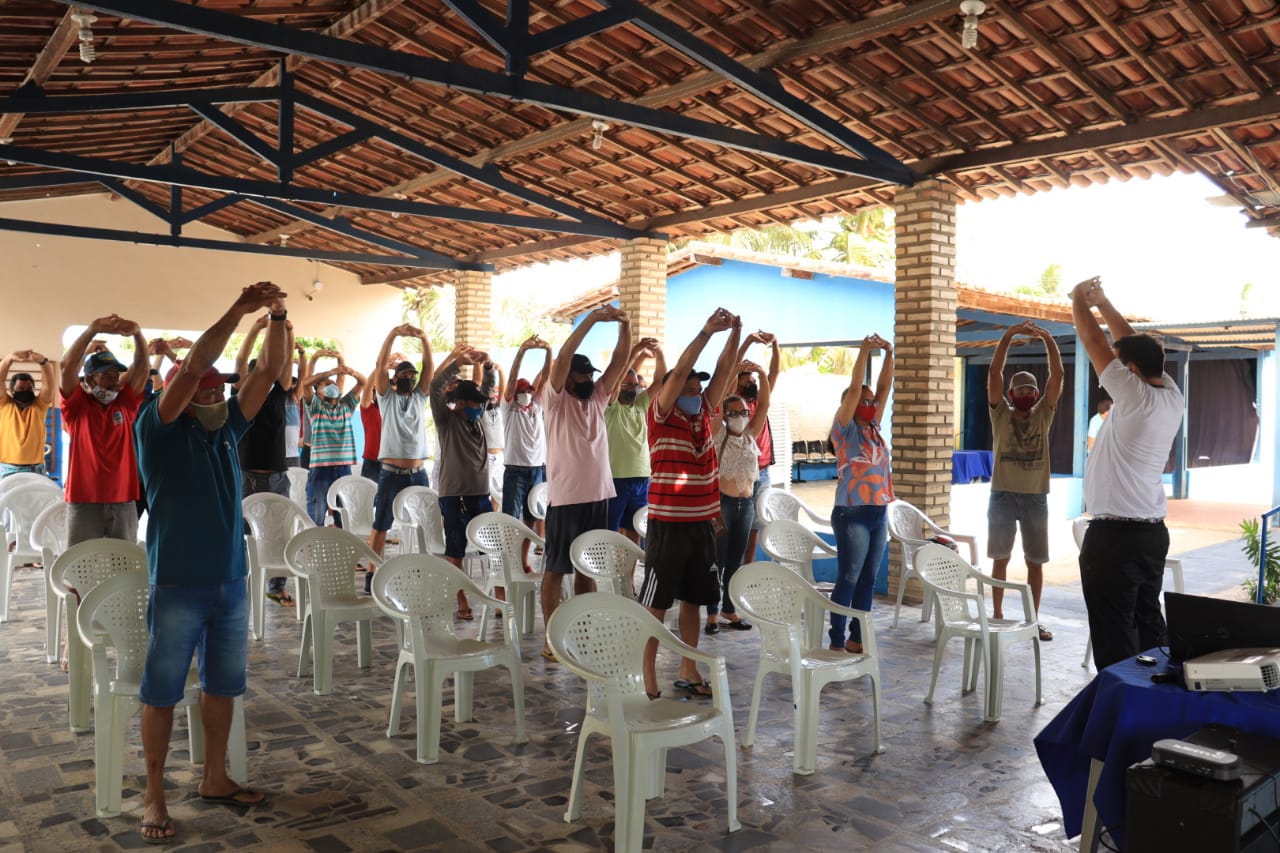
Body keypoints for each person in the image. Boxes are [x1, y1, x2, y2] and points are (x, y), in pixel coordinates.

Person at [132, 281, 286, 843]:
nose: (216, 391)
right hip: (177, 582)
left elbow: (268, 372)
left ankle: (214, 777)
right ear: (180, 388)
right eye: (205, 386)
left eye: (221, 388)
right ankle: (154, 794)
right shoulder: (157, 426)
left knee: (222, 686)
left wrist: (277, 315)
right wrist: (238, 309)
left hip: (230, 581)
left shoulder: (226, 430)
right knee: (161, 691)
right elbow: (198, 362)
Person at [1072, 277, 1183, 670]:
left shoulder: (1133, 394)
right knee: (1148, 627)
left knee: (1114, 635)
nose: (1116, 369)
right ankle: (1154, 707)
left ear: (1130, 371)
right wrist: (1103, 301)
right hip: (1151, 533)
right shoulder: (1170, 392)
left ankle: (1116, 716)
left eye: (1122, 366)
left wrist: (1079, 301)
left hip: (1115, 539)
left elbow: (1094, 343)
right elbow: (1133, 345)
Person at [639, 308, 740, 699]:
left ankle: (688, 666)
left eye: (700, 390)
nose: (697, 394)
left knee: (695, 600)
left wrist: (735, 333)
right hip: (668, 525)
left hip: (701, 525)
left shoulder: (704, 416)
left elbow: (725, 369)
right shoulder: (661, 415)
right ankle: (647, 670)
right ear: (671, 391)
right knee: (657, 604)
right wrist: (706, 331)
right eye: (689, 389)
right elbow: (680, 371)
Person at [540, 306, 632, 660]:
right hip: (566, 498)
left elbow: (620, 363)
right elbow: (562, 357)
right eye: (581, 375)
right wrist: (591, 320)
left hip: (600, 495)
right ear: (569, 377)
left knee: (586, 567)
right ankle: (552, 638)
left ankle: (582, 629)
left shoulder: (597, 397)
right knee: (555, 568)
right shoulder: (556, 399)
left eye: (588, 375)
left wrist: (626, 326)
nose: (587, 379)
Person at [986, 322, 1063, 640]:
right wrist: (1006, 336)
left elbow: (1057, 377)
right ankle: (998, 615)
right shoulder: (1000, 414)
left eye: (1032, 389)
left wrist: (1049, 340)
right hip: (1002, 495)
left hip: (1035, 497)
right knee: (1000, 559)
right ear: (1010, 394)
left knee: (1035, 562)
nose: (1028, 394)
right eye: (1022, 390)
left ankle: (1033, 620)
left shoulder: (1044, 412)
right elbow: (994, 375)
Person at [828, 334, 894, 654]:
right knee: (849, 577)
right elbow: (856, 388)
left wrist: (889, 353)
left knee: (868, 577)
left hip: (878, 512)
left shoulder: (874, 428)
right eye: (863, 401)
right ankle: (837, 639)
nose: (869, 404)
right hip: (851, 512)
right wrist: (865, 352)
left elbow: (884, 389)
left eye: (871, 402)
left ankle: (858, 637)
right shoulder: (844, 430)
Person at [60, 315, 149, 545]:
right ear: (89, 378)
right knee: (80, 569)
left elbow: (141, 369)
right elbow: (67, 366)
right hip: (83, 500)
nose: (113, 381)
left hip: (124, 501)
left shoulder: (125, 405)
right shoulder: (77, 406)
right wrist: (92, 329)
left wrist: (138, 335)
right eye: (106, 374)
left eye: (115, 375)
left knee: (124, 568)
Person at [232, 315, 298, 606]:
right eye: (253, 375)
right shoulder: (239, 398)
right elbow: (240, 358)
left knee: (279, 533)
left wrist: (289, 333)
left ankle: (276, 586)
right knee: (244, 534)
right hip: (247, 475)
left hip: (276, 475)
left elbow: (285, 364)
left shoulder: (277, 396)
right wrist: (256, 329)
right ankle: (241, 585)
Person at [705, 359, 771, 635]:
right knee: (716, 561)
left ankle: (729, 609)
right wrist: (733, 372)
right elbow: (719, 400)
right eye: (733, 412)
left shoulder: (750, 436)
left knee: (735, 561)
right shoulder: (718, 435)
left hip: (746, 505)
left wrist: (763, 374)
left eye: (743, 412)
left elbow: (764, 404)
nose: (739, 416)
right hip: (723, 504)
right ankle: (711, 613)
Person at [431, 343, 496, 619]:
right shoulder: (446, 420)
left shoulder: (477, 420)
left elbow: (490, 386)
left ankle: (499, 598)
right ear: (459, 403)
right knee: (455, 549)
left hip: (480, 494)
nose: (478, 407)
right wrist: (455, 360)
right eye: (473, 403)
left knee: (490, 548)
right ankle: (461, 602)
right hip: (454, 494)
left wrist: (488, 362)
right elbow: (435, 385)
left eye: (480, 403)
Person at [368, 325, 433, 561]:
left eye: (412, 375)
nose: (409, 377)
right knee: (382, 523)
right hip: (391, 472)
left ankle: (424, 567)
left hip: (418, 472)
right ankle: (372, 574)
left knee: (426, 522)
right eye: (404, 374)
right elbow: (379, 366)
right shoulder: (386, 398)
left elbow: (429, 369)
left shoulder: (419, 396)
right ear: (395, 378)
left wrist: (424, 339)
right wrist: (393, 334)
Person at [604, 337, 665, 544]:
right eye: (626, 385)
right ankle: (610, 571)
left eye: (634, 385)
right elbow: (617, 375)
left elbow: (661, 380)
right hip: (616, 479)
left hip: (642, 478)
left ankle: (628, 575)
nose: (631, 388)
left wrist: (660, 353)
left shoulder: (640, 405)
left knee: (635, 530)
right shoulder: (611, 408)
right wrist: (637, 349)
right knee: (611, 530)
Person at [501, 336, 552, 571]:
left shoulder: (537, 406)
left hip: (537, 470)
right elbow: (511, 378)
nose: (526, 395)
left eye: (528, 391)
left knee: (531, 521)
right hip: (515, 470)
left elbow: (546, 377)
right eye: (522, 391)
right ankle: (508, 565)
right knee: (511, 521)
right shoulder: (509, 408)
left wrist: (549, 351)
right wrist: (521, 351)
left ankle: (522, 562)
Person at [732, 330, 780, 566]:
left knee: (755, 527)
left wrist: (776, 345)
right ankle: (729, 567)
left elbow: (773, 373)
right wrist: (748, 341)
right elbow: (731, 368)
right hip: (742, 471)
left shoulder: (760, 401)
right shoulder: (734, 402)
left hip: (763, 472)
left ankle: (747, 568)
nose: (752, 383)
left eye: (753, 381)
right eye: (747, 381)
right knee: (738, 524)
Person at [300, 360, 365, 527]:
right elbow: (304, 384)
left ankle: (342, 550)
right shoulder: (315, 406)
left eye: (334, 383)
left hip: (343, 469)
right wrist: (329, 373)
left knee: (343, 518)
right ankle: (314, 550)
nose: (332, 386)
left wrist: (351, 372)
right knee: (316, 517)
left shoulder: (346, 406)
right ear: (318, 393)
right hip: (320, 469)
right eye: (327, 384)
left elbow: (363, 382)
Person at [0, 350, 56, 478]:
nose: (25, 391)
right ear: (11, 390)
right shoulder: (4, 404)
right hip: (6, 468)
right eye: (20, 388)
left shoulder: (39, 406)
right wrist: (8, 360)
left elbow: (49, 384)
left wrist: (44, 363)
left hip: (35, 469)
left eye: (29, 389)